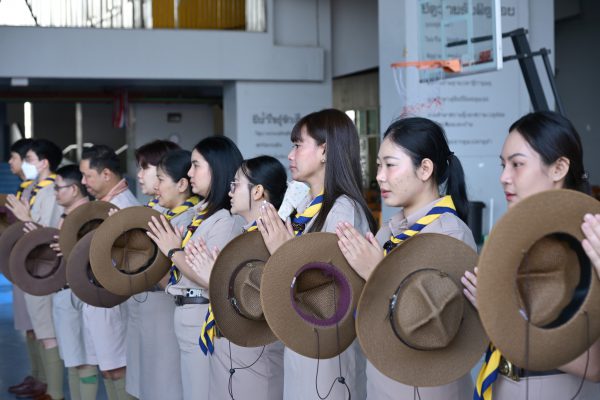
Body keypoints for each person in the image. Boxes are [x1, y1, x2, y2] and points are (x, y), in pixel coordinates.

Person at [335, 117, 475, 399]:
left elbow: (438, 322)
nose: (380, 176)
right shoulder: (391, 230)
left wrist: (377, 272)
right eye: (378, 165)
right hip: (383, 378)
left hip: (427, 386)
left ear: (425, 169)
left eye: (390, 165)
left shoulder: (449, 234)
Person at [462, 111, 600, 399]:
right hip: (503, 384)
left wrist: (500, 316)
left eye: (517, 164)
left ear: (559, 168)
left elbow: (593, 366)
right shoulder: (520, 235)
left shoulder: (588, 241)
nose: (503, 177)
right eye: (503, 165)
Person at [256, 109, 377, 400]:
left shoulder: (343, 210)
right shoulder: (310, 208)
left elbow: (331, 291)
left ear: (324, 151)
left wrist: (283, 253)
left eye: (298, 145)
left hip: (326, 349)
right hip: (303, 339)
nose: (290, 155)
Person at [147, 136, 244, 400]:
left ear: (217, 167)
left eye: (196, 165)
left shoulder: (225, 219)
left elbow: (212, 278)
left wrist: (173, 252)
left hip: (203, 315)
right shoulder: (201, 215)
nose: (189, 173)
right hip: (186, 312)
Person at [184, 155, 288, 400]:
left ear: (258, 191)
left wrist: (215, 278)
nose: (230, 191)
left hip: (254, 354)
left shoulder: (274, 237)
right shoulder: (244, 233)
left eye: (236, 184)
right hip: (228, 348)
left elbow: (262, 300)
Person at [7, 138, 66, 400]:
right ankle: (42, 382)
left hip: (43, 266)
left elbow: (47, 233)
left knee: (47, 332)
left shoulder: (51, 191)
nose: (25, 164)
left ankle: (52, 390)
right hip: (28, 264)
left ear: (44, 163)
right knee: (38, 329)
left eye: (29, 159)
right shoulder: (34, 189)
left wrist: (25, 218)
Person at [79, 145, 140, 400]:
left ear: (106, 174)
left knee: (117, 368)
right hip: (100, 297)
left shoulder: (123, 207)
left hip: (114, 299)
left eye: (87, 176)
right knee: (107, 368)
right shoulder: (104, 205)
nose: (83, 182)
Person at [139, 148, 198, 400]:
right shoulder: (165, 215)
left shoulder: (191, 219)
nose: (156, 186)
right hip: (161, 310)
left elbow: (187, 275)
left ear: (182, 184)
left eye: (161, 179)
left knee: (171, 383)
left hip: (175, 305)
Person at [126, 140, 181, 400]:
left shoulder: (178, 216)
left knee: (163, 384)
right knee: (142, 382)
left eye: (145, 167)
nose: (139, 175)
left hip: (164, 306)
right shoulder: (147, 211)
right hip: (142, 304)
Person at [49, 165, 99, 400]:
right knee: (73, 359)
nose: (55, 193)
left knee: (85, 359)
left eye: (58, 187)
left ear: (74, 188)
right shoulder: (67, 216)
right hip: (64, 291)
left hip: (79, 292)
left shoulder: (89, 217)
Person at [5, 138, 47, 398]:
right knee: (30, 327)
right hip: (23, 261)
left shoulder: (45, 190)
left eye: (16, 157)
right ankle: (37, 375)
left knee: (40, 329)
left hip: (37, 265)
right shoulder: (27, 188)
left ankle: (44, 382)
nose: (10, 162)